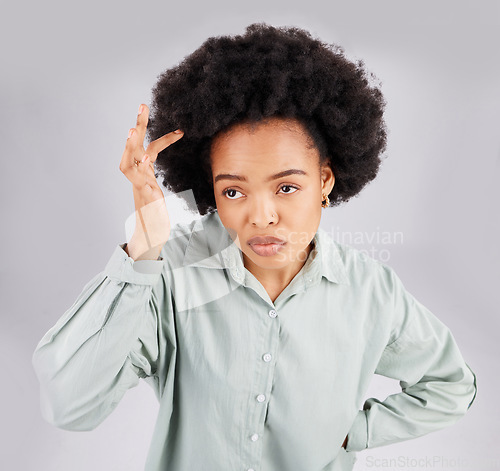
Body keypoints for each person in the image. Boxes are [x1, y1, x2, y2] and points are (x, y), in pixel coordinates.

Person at [32, 23, 477, 471]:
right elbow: (71, 405)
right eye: (233, 192)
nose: (261, 216)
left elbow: (449, 385)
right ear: (209, 190)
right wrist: (144, 246)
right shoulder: (171, 276)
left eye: (286, 187)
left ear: (324, 181)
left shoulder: (369, 290)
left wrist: (353, 431)